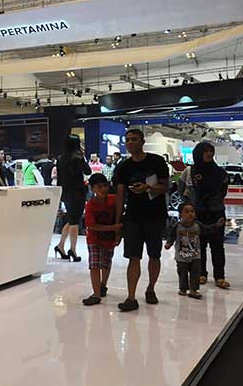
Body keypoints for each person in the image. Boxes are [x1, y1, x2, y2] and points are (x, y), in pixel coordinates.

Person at [114, 129, 170, 312]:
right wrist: (117, 221)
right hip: (133, 217)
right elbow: (120, 195)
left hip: (155, 215)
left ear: (142, 141)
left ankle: (151, 289)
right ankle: (131, 297)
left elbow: (166, 186)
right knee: (133, 257)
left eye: (134, 139)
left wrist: (148, 188)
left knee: (154, 255)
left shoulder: (157, 161)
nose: (130, 143)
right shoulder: (123, 166)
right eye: (127, 140)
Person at [184, 142, 231, 289]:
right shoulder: (190, 172)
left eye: (211, 151)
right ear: (198, 153)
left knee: (217, 246)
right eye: (205, 151)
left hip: (216, 212)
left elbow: (223, 192)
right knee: (199, 245)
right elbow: (182, 190)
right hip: (197, 213)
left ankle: (219, 276)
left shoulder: (220, 173)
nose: (209, 154)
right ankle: (200, 274)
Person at [82, 174, 122, 306]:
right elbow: (91, 225)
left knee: (106, 263)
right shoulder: (90, 205)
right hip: (94, 239)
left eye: (105, 185)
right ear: (92, 188)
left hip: (109, 239)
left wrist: (117, 233)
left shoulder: (113, 199)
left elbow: (119, 216)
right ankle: (96, 294)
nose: (103, 189)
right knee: (94, 265)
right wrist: (112, 228)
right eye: (99, 187)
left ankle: (103, 285)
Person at [54, 135, 92, 262]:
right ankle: (73, 250)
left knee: (71, 219)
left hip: (65, 192)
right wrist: (83, 158)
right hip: (77, 192)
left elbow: (59, 178)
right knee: (75, 220)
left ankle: (60, 246)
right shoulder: (78, 157)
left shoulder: (60, 158)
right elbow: (88, 171)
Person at [165, 203, 207, 300]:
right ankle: (183, 289)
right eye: (187, 212)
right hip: (181, 256)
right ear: (181, 215)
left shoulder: (198, 225)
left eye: (192, 211)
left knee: (195, 273)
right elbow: (171, 236)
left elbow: (207, 229)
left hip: (195, 255)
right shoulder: (177, 226)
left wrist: (217, 225)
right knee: (182, 273)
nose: (190, 214)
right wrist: (168, 243)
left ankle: (194, 290)